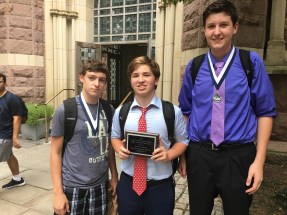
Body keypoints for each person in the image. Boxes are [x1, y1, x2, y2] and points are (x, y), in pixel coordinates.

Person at [178, 0, 277, 214]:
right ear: (204, 30)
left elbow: (265, 113)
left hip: (238, 156)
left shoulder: (251, 63)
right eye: (211, 26)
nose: (217, 32)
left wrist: (259, 162)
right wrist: (183, 155)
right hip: (200, 154)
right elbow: (185, 112)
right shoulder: (194, 67)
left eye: (223, 25)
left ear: (235, 27)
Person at [111, 56, 189, 215]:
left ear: (156, 80)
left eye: (146, 75)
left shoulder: (172, 112)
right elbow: (114, 137)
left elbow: (183, 141)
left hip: (160, 186)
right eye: (135, 75)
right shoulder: (121, 112)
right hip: (129, 185)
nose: (140, 80)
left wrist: (169, 155)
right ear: (131, 81)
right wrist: (120, 149)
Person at [50, 61, 118, 215]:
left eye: (101, 80)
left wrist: (114, 175)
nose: (97, 84)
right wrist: (58, 193)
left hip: (100, 185)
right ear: (82, 78)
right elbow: (55, 152)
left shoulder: (108, 110)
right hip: (72, 186)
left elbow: (109, 147)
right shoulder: (66, 110)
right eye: (92, 78)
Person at [0, 72, 25, 189]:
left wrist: (15, 138)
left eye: (0, 82)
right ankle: (17, 179)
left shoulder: (11, 98)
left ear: (4, 83)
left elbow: (17, 118)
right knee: (9, 156)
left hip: (5, 135)